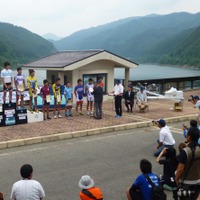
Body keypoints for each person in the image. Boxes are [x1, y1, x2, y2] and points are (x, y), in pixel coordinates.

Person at [175, 127, 200, 200]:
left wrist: (176, 179)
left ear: (189, 137)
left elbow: (180, 169)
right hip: (198, 181)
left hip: (186, 183)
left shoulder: (185, 152)